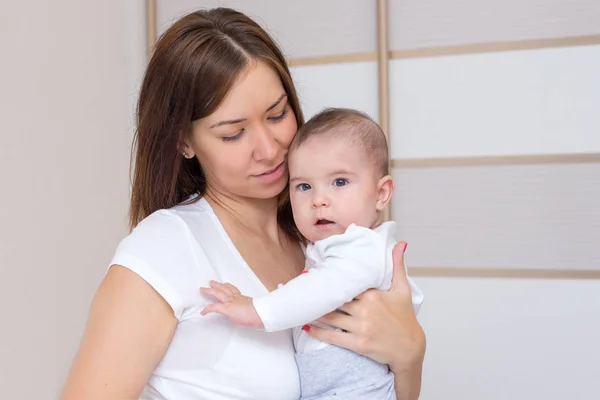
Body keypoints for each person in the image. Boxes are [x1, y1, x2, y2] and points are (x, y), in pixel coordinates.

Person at [60, 8, 425, 400]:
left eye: (277, 114)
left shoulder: (319, 232)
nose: (269, 150)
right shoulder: (163, 249)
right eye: (234, 134)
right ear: (184, 141)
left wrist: (410, 355)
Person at [200, 108, 424, 399]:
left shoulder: (363, 247)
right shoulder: (325, 248)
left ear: (381, 194)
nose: (319, 200)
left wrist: (257, 309)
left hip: (356, 388)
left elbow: (323, 289)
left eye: (340, 182)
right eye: (304, 186)